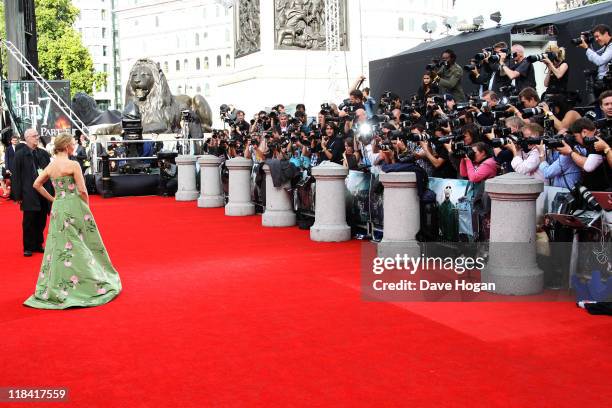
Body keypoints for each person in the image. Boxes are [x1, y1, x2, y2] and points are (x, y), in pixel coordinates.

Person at [23, 133, 122, 309]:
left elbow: (36, 184)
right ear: (67, 146)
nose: (74, 146)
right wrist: (87, 208)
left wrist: (54, 199)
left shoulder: (51, 166)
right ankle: (87, 282)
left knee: (59, 246)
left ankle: (59, 285)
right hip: (75, 205)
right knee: (82, 243)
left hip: (59, 208)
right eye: (73, 143)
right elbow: (83, 190)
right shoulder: (73, 164)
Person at [578, 24, 612, 88]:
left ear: (606, 33)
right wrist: (588, 43)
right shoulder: (607, 46)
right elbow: (596, 55)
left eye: (597, 36)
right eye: (595, 37)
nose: (596, 39)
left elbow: (599, 60)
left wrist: (586, 48)